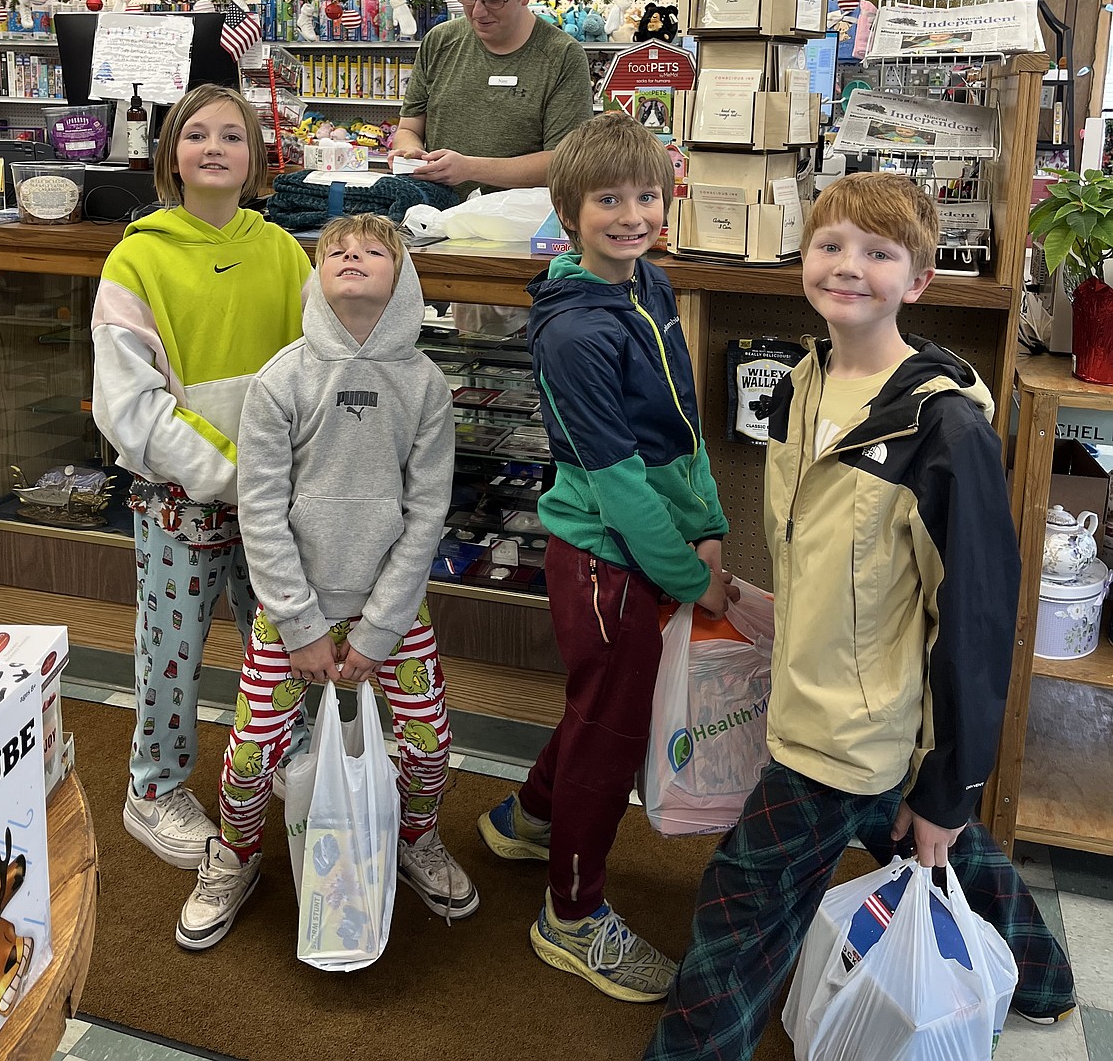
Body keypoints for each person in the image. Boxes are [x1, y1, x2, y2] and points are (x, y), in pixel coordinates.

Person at [646, 172, 1076, 1061]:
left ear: (918, 280)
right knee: (919, 837)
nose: (848, 268)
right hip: (830, 707)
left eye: (878, 253)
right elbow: (820, 549)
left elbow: (977, 623)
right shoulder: (804, 383)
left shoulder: (945, 432)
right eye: (830, 245)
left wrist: (953, 785)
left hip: (850, 734)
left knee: (744, 898)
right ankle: (1042, 977)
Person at [477, 112, 736, 1002]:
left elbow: (681, 422)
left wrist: (707, 520)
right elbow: (617, 482)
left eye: (647, 196)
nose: (632, 215)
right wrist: (689, 575)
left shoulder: (650, 284)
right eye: (608, 200)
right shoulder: (575, 332)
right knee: (613, 734)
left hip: (652, 550)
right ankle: (572, 916)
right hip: (605, 565)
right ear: (569, 208)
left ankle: (528, 820)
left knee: (598, 713)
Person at [176, 212, 478, 949]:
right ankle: (236, 856)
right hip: (293, 614)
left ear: (402, 276)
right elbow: (263, 511)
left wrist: (379, 630)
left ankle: (417, 840)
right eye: (336, 250)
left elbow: (426, 512)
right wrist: (302, 625)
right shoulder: (282, 380)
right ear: (316, 273)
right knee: (250, 757)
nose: (352, 257)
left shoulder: (426, 387)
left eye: (373, 250)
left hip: (394, 614)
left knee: (429, 747)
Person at [92, 84, 312, 870]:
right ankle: (152, 789)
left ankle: (282, 756)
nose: (214, 146)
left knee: (280, 638)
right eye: (196, 135)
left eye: (233, 135)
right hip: (179, 499)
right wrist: (229, 471)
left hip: (274, 501)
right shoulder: (137, 257)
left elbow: (314, 369)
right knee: (171, 648)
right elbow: (129, 406)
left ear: (256, 157)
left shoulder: (285, 251)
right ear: (170, 156)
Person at [390, 0, 593, 197]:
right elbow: (409, 127)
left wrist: (469, 169)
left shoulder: (562, 56)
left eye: (493, 0)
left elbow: (563, 162)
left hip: (519, 225)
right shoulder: (439, 41)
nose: (477, 12)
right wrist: (409, 149)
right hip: (435, 217)